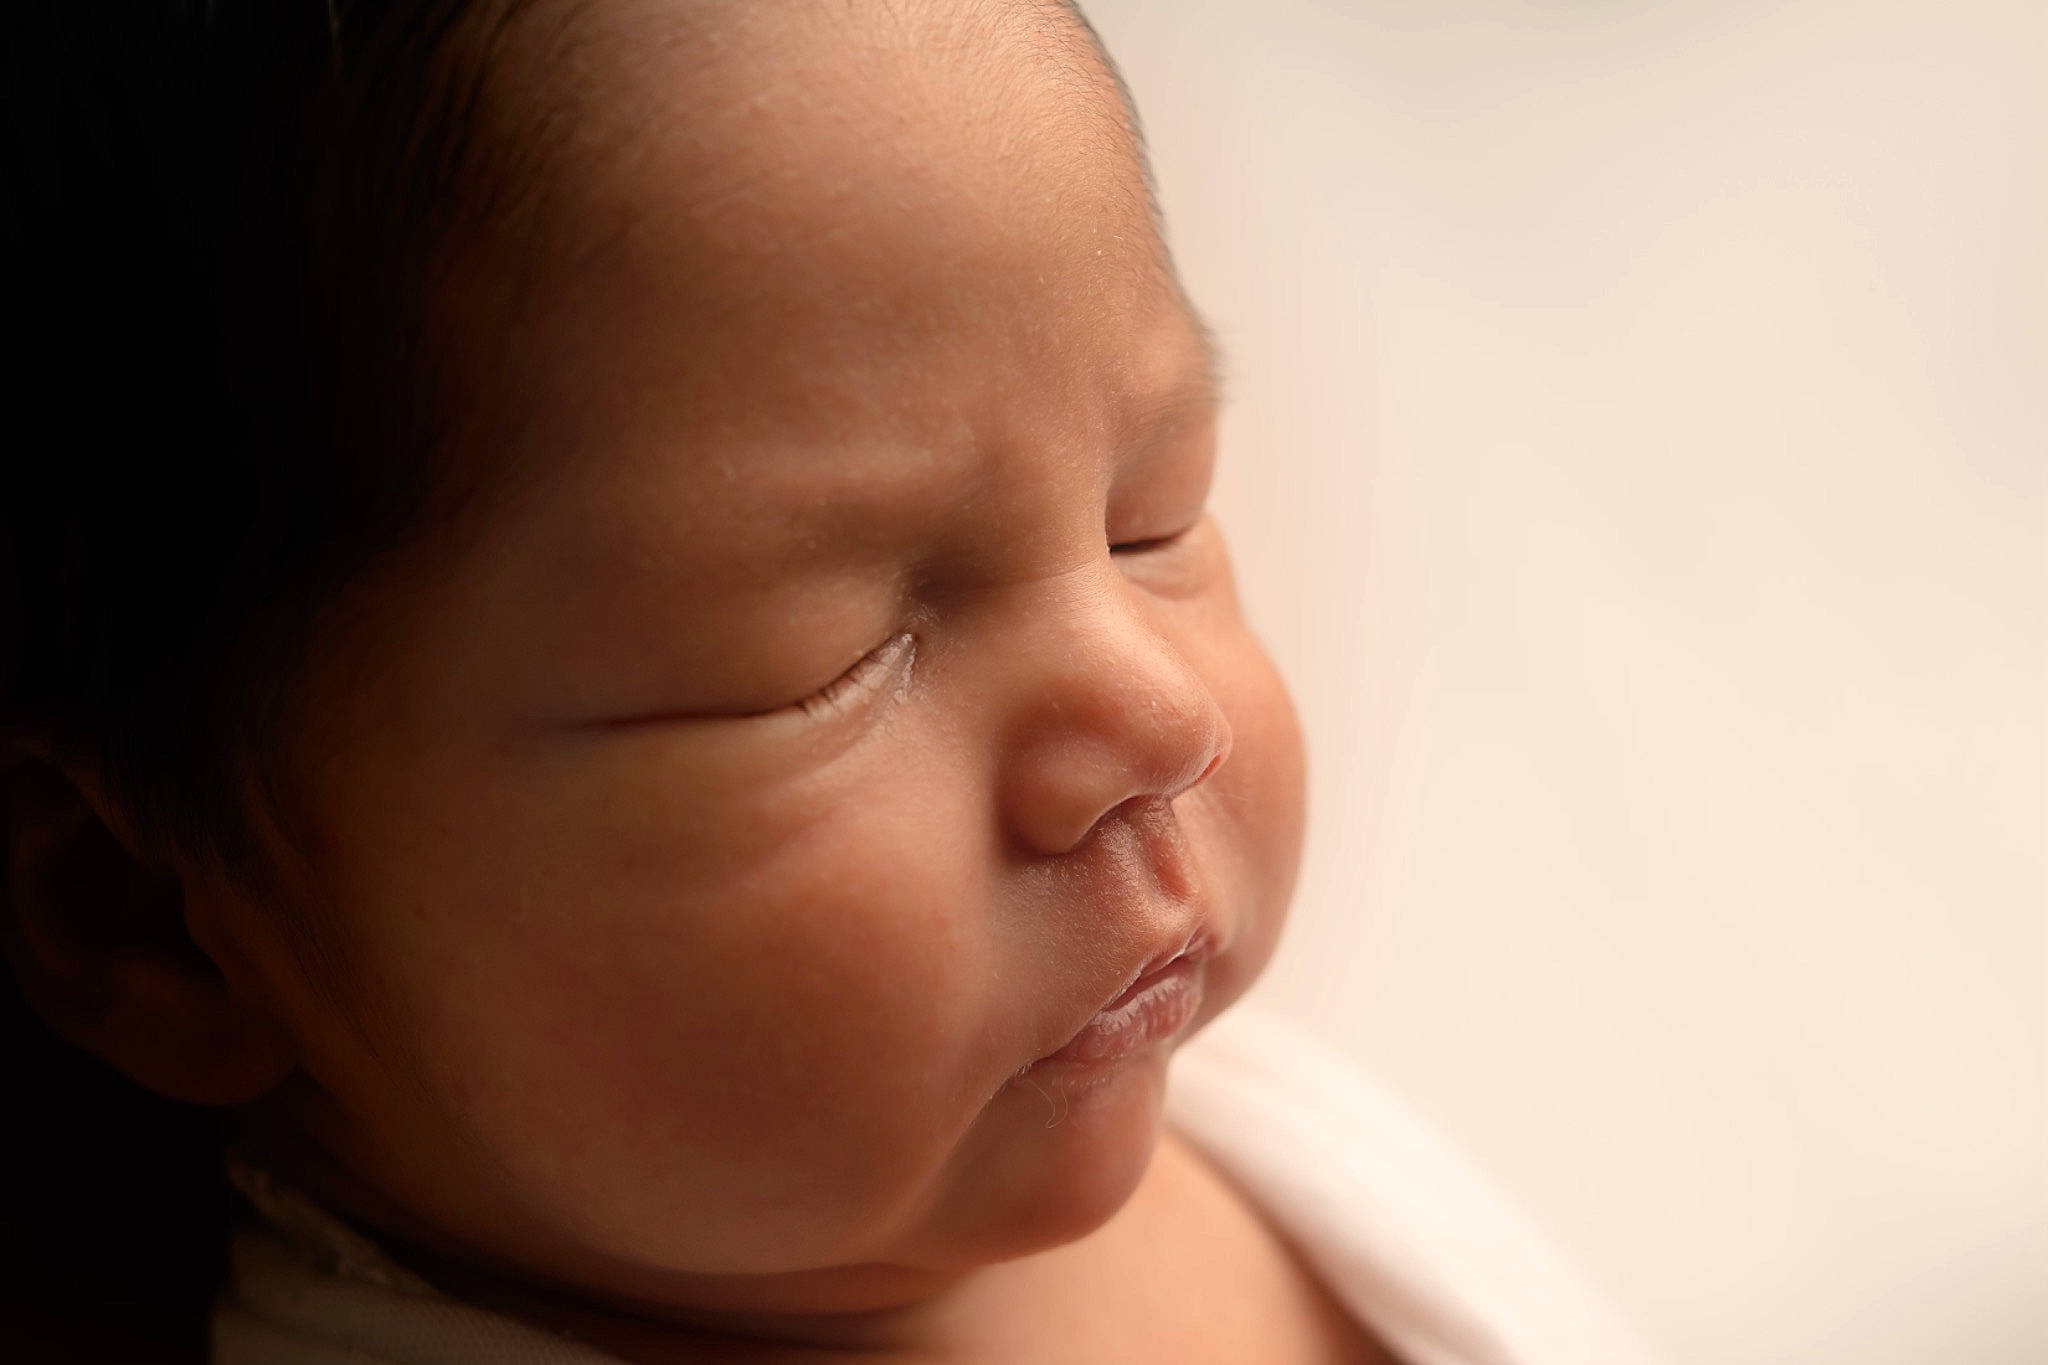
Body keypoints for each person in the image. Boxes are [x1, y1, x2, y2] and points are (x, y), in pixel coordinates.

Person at [1, 2, 1657, 1361]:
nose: (1163, 716)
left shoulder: (1207, 1128)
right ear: (156, 921)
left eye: (1154, 514)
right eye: (827, 667)